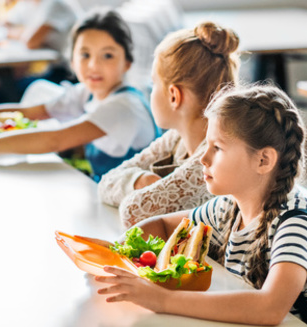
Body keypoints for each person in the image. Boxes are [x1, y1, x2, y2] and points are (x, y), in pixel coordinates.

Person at [95, 84, 307, 326]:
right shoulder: (227, 208)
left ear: (263, 160)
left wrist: (163, 300)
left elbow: (270, 308)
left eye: (218, 148)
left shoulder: (296, 225)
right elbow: (161, 225)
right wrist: (116, 253)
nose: (203, 158)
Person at [0, 8, 157, 182]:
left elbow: (54, 139)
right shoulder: (86, 92)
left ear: (127, 62)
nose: (94, 65)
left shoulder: (124, 105)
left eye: (108, 56)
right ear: (72, 60)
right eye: (85, 55)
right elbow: (28, 113)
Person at [98, 21, 240, 227]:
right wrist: (142, 181)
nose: (150, 91)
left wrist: (141, 184)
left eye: (153, 83)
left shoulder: (215, 155)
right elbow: (106, 182)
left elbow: (133, 212)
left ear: (174, 95)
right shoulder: (176, 137)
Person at [0, 0, 82, 105]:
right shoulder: (26, 4)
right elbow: (2, 25)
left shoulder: (55, 3)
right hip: (55, 69)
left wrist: (20, 32)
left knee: (0, 96)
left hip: (70, 74)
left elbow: (30, 41)